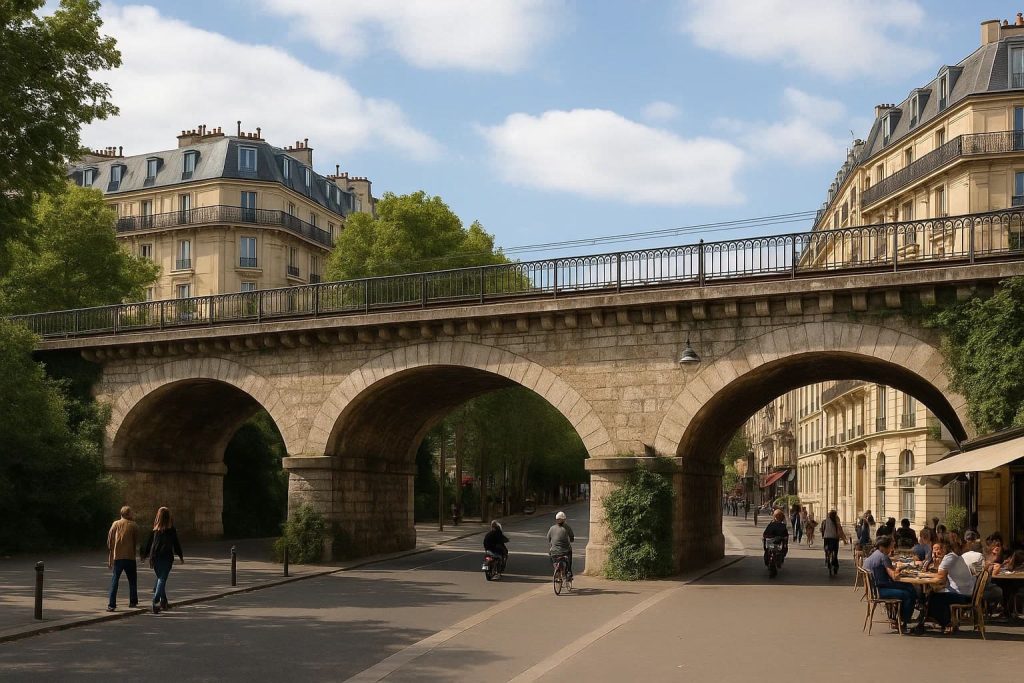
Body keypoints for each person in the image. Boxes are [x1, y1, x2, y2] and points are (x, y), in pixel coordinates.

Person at [863, 535, 917, 632]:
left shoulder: (873, 555)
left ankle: (900, 616)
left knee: (908, 587)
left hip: (874, 589)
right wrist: (899, 568)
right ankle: (903, 620)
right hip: (880, 590)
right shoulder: (883, 557)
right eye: (890, 547)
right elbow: (894, 576)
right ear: (883, 547)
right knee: (908, 593)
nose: (891, 549)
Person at [925, 538, 976, 634]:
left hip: (962, 595)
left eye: (939, 549)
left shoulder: (950, 558)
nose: (937, 551)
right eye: (935, 549)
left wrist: (926, 577)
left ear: (945, 548)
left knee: (934, 597)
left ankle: (946, 623)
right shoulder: (953, 556)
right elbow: (941, 575)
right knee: (934, 594)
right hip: (966, 591)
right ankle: (942, 621)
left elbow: (941, 577)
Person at [140, 507, 184, 614]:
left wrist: (144, 555)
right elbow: (176, 543)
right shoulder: (171, 530)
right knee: (162, 579)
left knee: (160, 578)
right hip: (166, 557)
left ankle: (163, 601)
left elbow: (148, 544)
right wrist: (180, 555)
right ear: (169, 517)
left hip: (154, 557)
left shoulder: (155, 530)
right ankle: (155, 601)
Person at [106, 506, 139, 612]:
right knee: (132, 580)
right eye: (131, 513)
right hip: (130, 557)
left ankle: (112, 604)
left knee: (115, 580)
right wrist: (138, 553)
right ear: (128, 514)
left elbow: (109, 540)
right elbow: (137, 542)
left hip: (118, 556)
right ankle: (133, 601)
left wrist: (111, 555)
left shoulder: (115, 524)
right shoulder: (134, 525)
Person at [547, 511, 575, 580]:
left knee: (552, 557)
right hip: (565, 551)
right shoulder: (567, 527)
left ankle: (556, 569)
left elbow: (548, 538)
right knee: (569, 557)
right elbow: (572, 537)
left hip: (554, 551)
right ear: (564, 520)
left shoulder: (552, 528)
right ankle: (569, 573)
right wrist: (571, 540)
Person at [820, 509, 849, 575]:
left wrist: (824, 533)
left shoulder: (825, 521)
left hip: (826, 538)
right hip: (834, 539)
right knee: (835, 554)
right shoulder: (836, 520)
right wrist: (844, 539)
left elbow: (822, 529)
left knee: (827, 549)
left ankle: (827, 557)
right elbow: (840, 530)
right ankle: (835, 566)